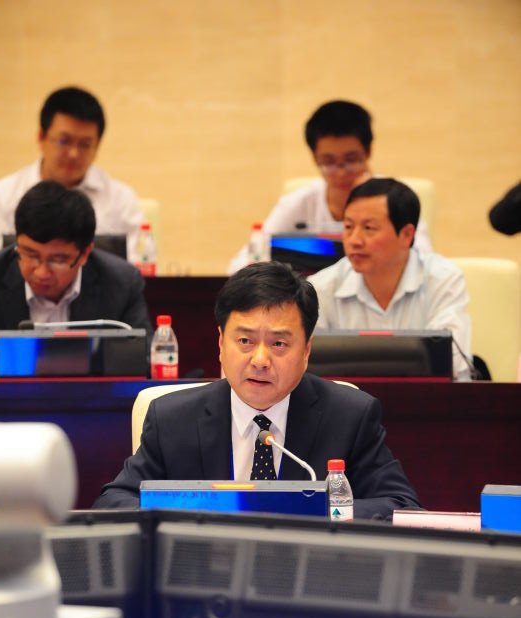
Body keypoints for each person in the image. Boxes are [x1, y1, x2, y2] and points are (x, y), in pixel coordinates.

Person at [94, 261, 420, 519]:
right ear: (221, 343)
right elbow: (113, 502)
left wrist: (309, 513)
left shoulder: (349, 416)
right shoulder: (173, 418)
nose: (260, 360)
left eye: (279, 344)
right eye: (245, 341)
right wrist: (194, 514)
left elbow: (401, 507)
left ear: (306, 350)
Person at [228, 100, 431, 273]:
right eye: (329, 162)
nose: (341, 172)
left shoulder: (395, 199)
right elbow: (242, 265)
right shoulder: (298, 203)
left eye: (351, 160)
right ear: (315, 157)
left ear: (368, 151)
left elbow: (424, 262)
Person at [308, 177, 473, 381]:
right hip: (346, 399)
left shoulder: (443, 279)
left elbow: (453, 364)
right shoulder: (321, 287)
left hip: (426, 398)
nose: (354, 240)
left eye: (369, 228)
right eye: (348, 227)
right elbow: (307, 367)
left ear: (406, 234)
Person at [0, 180, 152, 376]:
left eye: (57, 260)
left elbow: (145, 362)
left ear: (84, 254)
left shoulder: (121, 283)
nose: (41, 272)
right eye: (30, 255)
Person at [0, 86, 144, 260]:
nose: (73, 154)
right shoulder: (1, 198)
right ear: (41, 137)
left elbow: (137, 265)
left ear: (97, 146)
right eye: (64, 141)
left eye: (84, 144)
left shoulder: (121, 200)